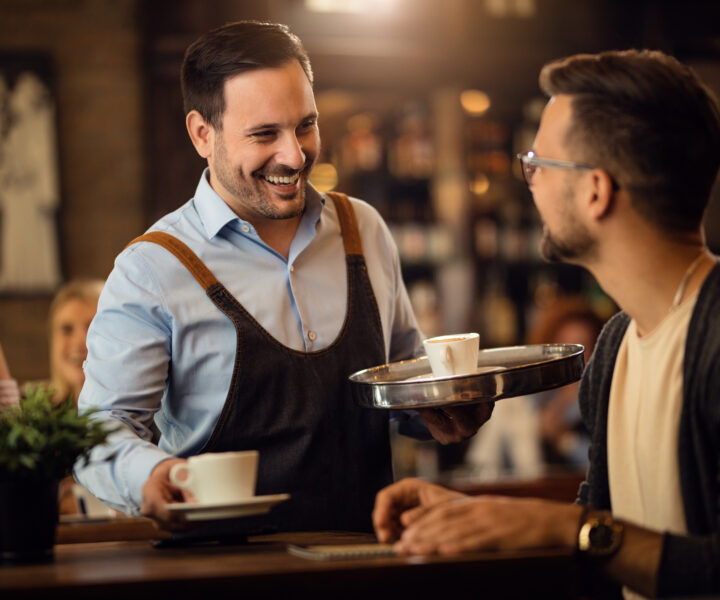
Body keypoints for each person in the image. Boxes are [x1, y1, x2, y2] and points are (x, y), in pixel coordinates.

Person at [74, 21, 491, 533]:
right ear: (203, 134)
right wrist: (154, 473)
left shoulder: (365, 229)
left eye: (305, 125)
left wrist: (442, 407)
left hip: (367, 562)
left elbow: (402, 383)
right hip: (225, 575)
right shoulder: (153, 269)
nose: (294, 155)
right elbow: (98, 431)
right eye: (264, 133)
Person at [373, 49, 720, 599]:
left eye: (538, 163)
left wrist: (566, 527)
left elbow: (599, 536)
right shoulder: (614, 348)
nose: (528, 181)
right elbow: (612, 532)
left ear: (594, 191)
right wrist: (483, 516)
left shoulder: (712, 338)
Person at [46, 279, 105, 514]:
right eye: (66, 329)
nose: (79, 341)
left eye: (91, 326)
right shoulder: (39, 420)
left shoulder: (148, 414)